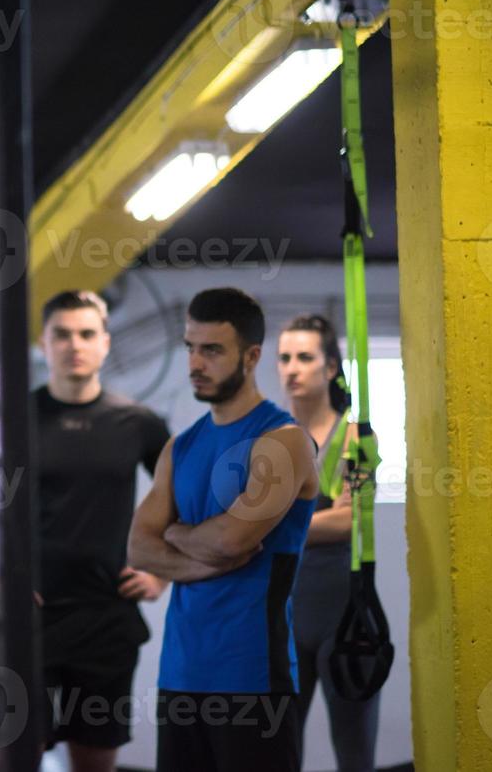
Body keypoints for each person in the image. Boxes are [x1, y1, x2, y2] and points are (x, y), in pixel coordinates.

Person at [0, 290, 170, 772]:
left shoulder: (139, 424)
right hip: (28, 623)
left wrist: (160, 574)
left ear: (106, 343)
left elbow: (187, 502)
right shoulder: (10, 419)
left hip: (107, 623)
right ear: (44, 344)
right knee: (9, 759)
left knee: (94, 761)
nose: (75, 345)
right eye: (62, 334)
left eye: (87, 334)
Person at [128, 288, 319, 772]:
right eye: (191, 347)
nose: (196, 362)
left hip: (253, 676)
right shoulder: (180, 447)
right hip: (181, 675)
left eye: (211, 350)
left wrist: (175, 532)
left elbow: (234, 540)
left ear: (252, 356)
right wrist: (196, 547)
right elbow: (139, 547)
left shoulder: (284, 441)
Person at [278, 314, 379, 771]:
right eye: (284, 358)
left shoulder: (357, 437)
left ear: (331, 367)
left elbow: (355, 521)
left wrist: (280, 523)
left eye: (304, 357)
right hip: (283, 614)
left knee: (354, 752)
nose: (291, 368)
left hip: (346, 613)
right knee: (277, 752)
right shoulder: (269, 437)